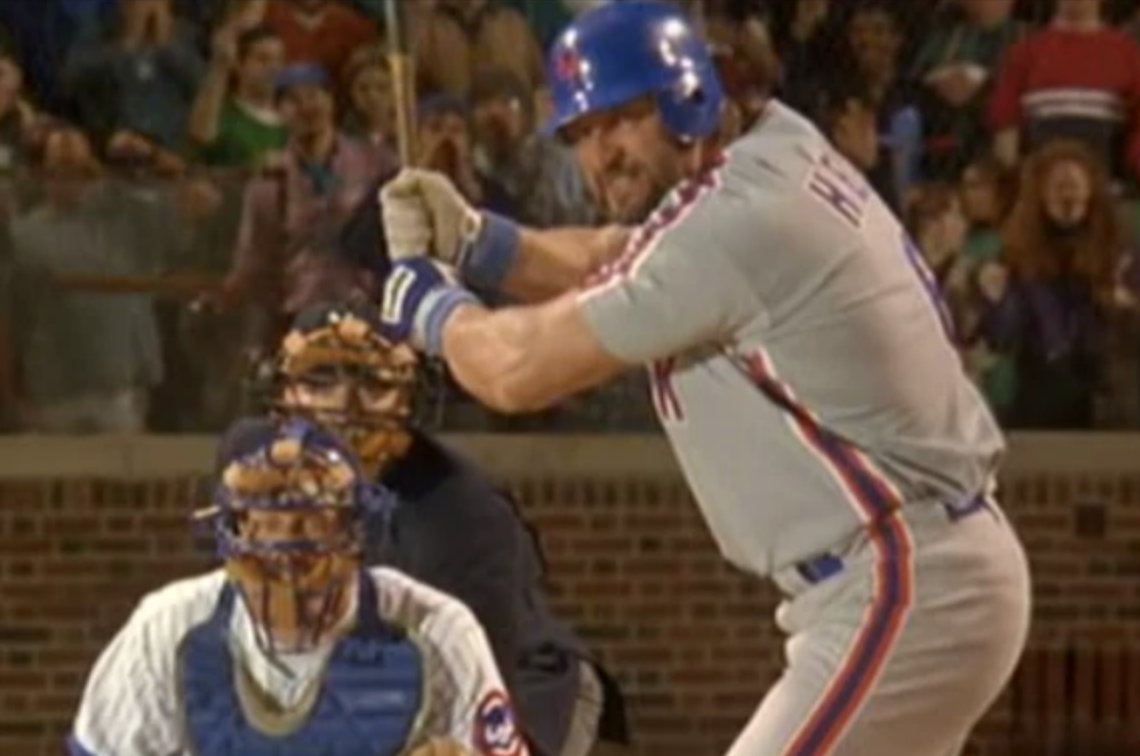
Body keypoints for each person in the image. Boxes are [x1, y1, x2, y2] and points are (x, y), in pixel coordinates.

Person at [375, 2, 1031, 753]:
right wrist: (477, 242)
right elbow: (623, 255)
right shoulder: (769, 155)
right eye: (582, 133)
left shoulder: (734, 227)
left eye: (621, 119)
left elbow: (516, 370)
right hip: (922, 572)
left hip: (905, 582)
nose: (601, 153)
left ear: (688, 97)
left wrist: (429, 304)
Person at [265, 300, 629, 756]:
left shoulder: (457, 513)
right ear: (286, 393)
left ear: (408, 397)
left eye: (372, 382)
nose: (344, 402)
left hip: (519, 689)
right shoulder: (265, 490)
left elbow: (479, 692)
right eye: (321, 379)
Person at [68, 416, 527, 756]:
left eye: (312, 520)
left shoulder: (434, 629)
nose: (288, 548)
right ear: (231, 530)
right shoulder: (169, 627)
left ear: (355, 528)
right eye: (268, 521)